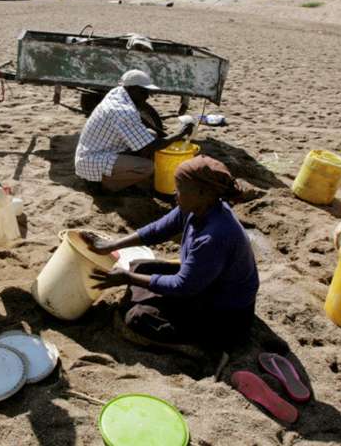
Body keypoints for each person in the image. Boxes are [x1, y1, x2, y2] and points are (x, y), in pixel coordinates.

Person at [85, 155, 259, 349]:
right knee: (140, 266)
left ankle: (198, 349)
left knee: (138, 317)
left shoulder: (214, 236)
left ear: (202, 192)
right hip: (203, 284)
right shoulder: (197, 207)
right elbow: (159, 230)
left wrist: (128, 278)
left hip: (225, 311)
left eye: (180, 188)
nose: (175, 192)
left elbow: (181, 286)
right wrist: (114, 245)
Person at [74, 69, 194, 192]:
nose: (147, 96)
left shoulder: (118, 93)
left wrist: (165, 135)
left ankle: (119, 178)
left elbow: (140, 120)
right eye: (144, 92)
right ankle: (104, 186)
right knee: (147, 167)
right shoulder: (122, 111)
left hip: (93, 154)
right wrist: (179, 134)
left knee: (151, 134)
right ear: (133, 89)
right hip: (92, 163)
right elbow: (148, 147)